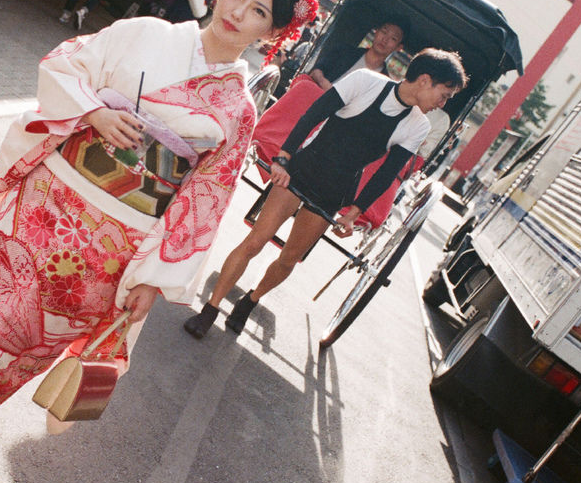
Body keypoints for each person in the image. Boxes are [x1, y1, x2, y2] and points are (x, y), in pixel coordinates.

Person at [0, 0, 315, 483]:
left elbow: (203, 202)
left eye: (259, 11)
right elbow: (65, 64)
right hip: (48, 206)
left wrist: (153, 279)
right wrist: (93, 112)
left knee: (28, 350)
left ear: (274, 32)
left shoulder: (238, 112)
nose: (239, 10)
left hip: (113, 251)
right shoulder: (146, 33)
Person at [183, 47, 467, 338]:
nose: (442, 103)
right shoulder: (366, 81)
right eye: (444, 94)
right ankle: (211, 309)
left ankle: (250, 300)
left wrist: (354, 213)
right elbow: (312, 115)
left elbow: (384, 174)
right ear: (424, 80)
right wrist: (283, 158)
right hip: (302, 169)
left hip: (335, 190)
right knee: (255, 241)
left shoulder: (417, 125)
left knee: (288, 259)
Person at [251, 20, 407, 168]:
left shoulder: (386, 84)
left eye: (392, 38)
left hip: (342, 123)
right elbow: (317, 70)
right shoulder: (345, 51)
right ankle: (269, 139)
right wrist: (328, 88)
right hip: (317, 99)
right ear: (376, 30)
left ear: (398, 47)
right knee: (306, 87)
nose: (384, 39)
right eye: (384, 32)